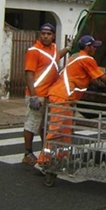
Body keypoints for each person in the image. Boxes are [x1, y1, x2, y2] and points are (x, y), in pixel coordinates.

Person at [37, 35, 106, 164]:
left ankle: (62, 156)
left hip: (65, 98)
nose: (95, 49)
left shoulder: (75, 56)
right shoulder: (87, 59)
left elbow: (87, 77)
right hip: (62, 96)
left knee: (66, 131)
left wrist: (99, 84)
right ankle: (43, 160)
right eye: (94, 46)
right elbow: (103, 78)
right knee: (56, 130)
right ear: (88, 47)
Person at [21, 23, 70, 166]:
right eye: (43, 33)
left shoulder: (54, 49)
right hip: (37, 94)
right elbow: (29, 74)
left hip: (49, 94)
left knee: (45, 125)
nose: (46, 36)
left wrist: (67, 49)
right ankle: (28, 153)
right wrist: (33, 96)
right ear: (39, 35)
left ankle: (45, 150)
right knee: (32, 124)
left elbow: (55, 58)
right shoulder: (33, 51)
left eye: (49, 34)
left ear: (53, 36)